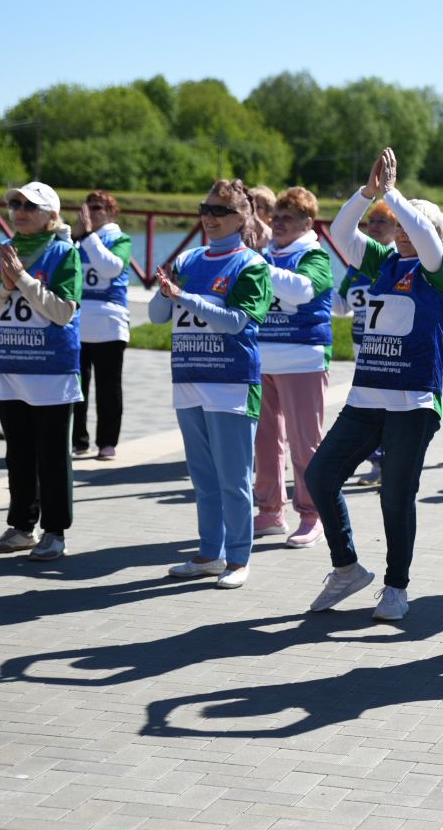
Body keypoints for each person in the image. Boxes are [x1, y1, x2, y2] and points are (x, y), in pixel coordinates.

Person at [304, 149, 443, 621]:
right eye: (396, 224)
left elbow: (427, 241)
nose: (402, 231)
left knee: (395, 494)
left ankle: (396, 586)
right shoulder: (382, 263)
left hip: (412, 402)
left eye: (412, 226)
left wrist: (394, 194)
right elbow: (339, 233)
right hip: (366, 398)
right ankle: (347, 568)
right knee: (319, 476)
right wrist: (368, 194)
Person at [149, 179, 273, 589]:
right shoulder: (188, 258)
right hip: (188, 378)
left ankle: (238, 559)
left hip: (231, 383)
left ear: (242, 218)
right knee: (203, 478)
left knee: (234, 479)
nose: (209, 217)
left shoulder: (251, 264)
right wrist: (167, 293)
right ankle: (209, 553)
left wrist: (183, 296)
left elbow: (237, 322)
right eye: (205, 208)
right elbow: (155, 317)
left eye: (220, 211)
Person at [0, 182, 84, 561]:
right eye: (15, 203)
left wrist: (21, 279)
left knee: (52, 456)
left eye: (29, 205)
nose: (19, 210)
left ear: (51, 215)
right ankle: (21, 527)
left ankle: (55, 532)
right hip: (8, 367)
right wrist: (4, 287)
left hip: (51, 371)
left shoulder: (64, 253)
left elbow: (63, 311)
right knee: (17, 454)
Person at [252, 187, 334, 545]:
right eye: (276, 216)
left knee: (306, 444)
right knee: (266, 442)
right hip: (262, 358)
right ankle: (270, 511)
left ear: (307, 223)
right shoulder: (265, 255)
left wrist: (256, 263)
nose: (278, 223)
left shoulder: (314, 256)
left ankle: (313, 514)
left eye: (288, 218)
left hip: (302, 359)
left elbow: (302, 291)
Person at [332, 199, 400, 488]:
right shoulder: (357, 264)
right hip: (361, 349)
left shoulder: (400, 263)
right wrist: (317, 290)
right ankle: (377, 464)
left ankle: (393, 467)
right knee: (369, 411)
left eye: (382, 221)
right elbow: (341, 306)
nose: (373, 226)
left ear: (397, 228)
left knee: (390, 411)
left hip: (392, 353)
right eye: (371, 221)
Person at [72, 190, 133, 460]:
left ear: (111, 211)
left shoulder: (119, 239)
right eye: (89, 207)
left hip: (109, 323)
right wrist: (75, 237)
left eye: (98, 207)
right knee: (76, 388)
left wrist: (87, 237)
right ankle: (79, 440)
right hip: (77, 323)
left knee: (109, 389)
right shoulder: (76, 239)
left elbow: (110, 268)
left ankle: (107, 442)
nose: (93, 212)